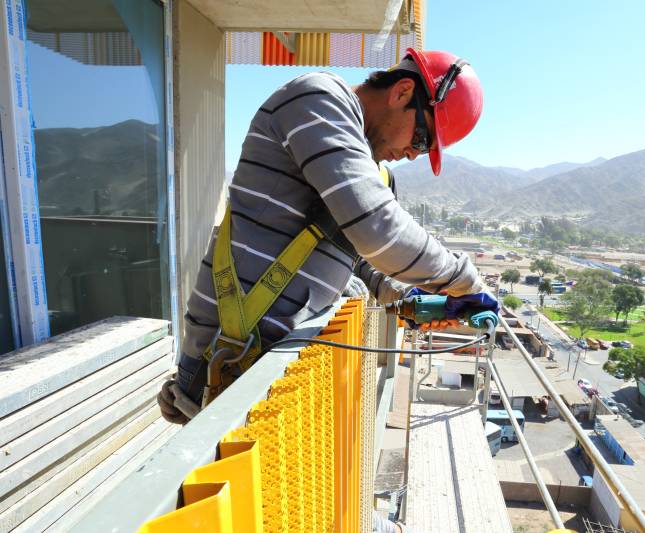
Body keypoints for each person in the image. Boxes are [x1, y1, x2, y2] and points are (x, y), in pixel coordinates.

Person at [158, 48, 498, 424]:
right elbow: (377, 231)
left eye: (426, 150)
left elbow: (359, 259)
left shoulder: (372, 173)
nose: (412, 154)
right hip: (227, 360)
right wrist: (463, 282)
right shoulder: (318, 101)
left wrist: (411, 297)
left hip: (275, 365)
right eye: (421, 138)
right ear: (402, 92)